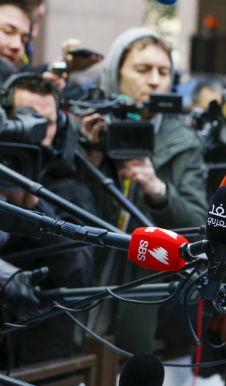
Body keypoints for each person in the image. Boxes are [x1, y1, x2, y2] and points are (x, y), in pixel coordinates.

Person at [76, 27, 208, 358]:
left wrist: (158, 190)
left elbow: (197, 226)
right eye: (142, 69)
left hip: (144, 297)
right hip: (85, 285)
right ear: (114, 73)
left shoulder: (183, 141)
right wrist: (88, 157)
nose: (154, 81)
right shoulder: (85, 127)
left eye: (163, 72)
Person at [0, 73, 95, 366]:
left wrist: (34, 206)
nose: (38, 133)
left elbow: (81, 270)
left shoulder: (72, 187)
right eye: (28, 118)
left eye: (48, 123)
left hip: (40, 351)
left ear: (61, 125)